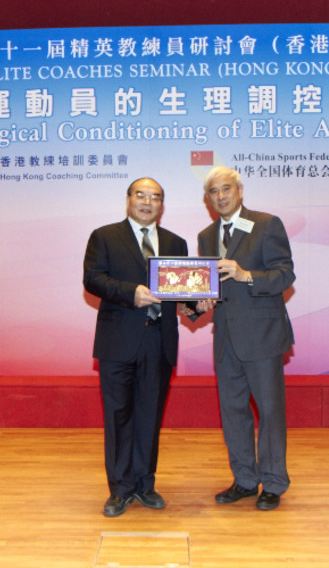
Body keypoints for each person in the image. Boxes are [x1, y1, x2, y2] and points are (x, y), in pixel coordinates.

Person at [83, 177, 189, 517]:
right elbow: (93, 279)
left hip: (159, 341)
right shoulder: (105, 236)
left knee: (149, 416)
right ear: (128, 199)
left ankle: (145, 483)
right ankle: (120, 488)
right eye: (140, 195)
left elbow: (182, 290)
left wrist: (197, 301)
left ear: (162, 204)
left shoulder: (176, 242)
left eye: (155, 197)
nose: (147, 202)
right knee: (118, 416)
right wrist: (132, 293)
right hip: (118, 341)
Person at [194, 165, 295, 511]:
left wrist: (246, 274)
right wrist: (199, 302)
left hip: (263, 336)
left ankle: (274, 482)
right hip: (225, 338)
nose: (220, 196)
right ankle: (245, 480)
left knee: (269, 412)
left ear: (239, 191)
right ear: (207, 199)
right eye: (213, 192)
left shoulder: (267, 224)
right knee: (233, 412)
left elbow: (285, 275)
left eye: (226, 189)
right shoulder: (206, 236)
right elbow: (208, 286)